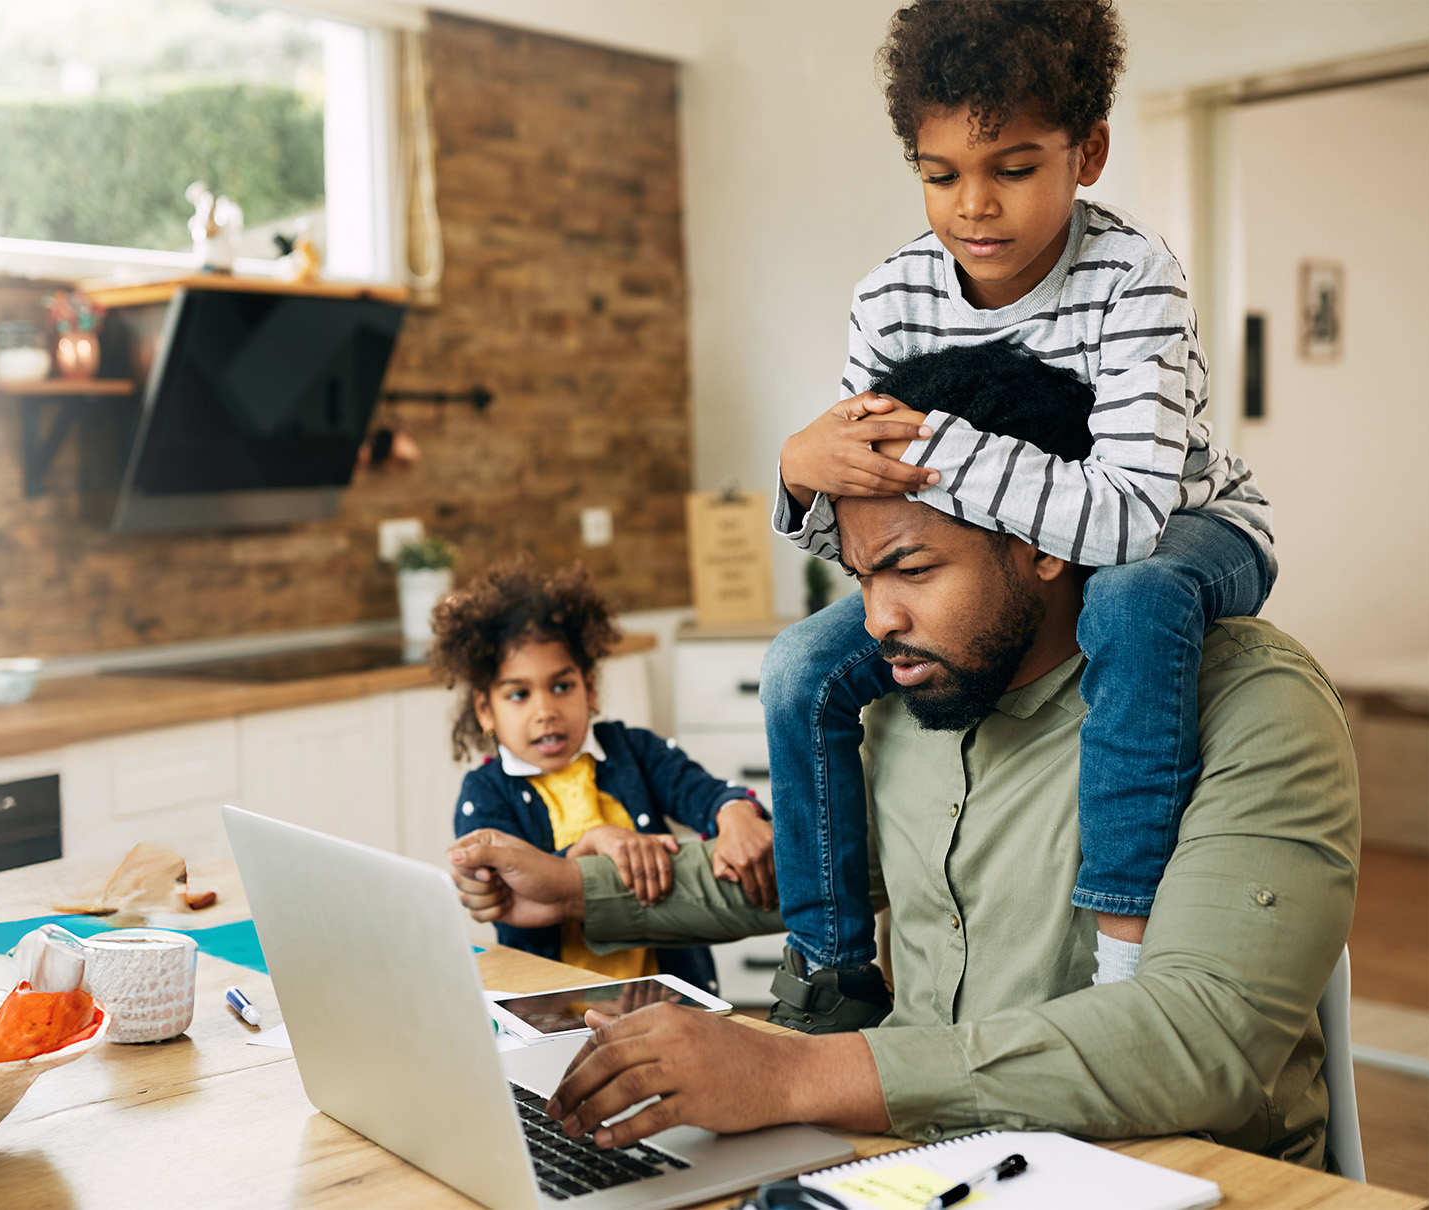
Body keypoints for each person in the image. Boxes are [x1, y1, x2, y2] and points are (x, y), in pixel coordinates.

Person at [448, 341, 1354, 1165]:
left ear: (1045, 539)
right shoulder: (910, 687)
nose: (878, 619)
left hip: (1167, 1174)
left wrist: (791, 1075)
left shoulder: (1251, 705)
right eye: (862, 577)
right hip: (915, 1163)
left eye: (914, 571)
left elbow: (1203, 1042)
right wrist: (574, 892)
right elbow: (817, 869)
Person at [761, 0, 1276, 1033]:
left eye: (1014, 167)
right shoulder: (892, 295)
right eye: (941, 172)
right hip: (1029, 550)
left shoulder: (1136, 278)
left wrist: (933, 443)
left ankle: (1123, 955)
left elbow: (1127, 516)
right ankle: (828, 963)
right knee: (798, 668)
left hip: (1189, 520)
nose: (973, 207)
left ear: (1088, 153)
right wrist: (805, 473)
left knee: (1131, 602)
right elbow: (879, 526)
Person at [430, 562, 775, 994]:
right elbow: (512, 886)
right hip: (555, 1015)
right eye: (519, 694)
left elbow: (705, 793)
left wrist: (736, 812)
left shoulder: (635, 751)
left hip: (664, 999)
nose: (545, 711)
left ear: (590, 689)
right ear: (485, 710)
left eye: (562, 686)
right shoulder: (484, 793)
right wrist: (592, 844)